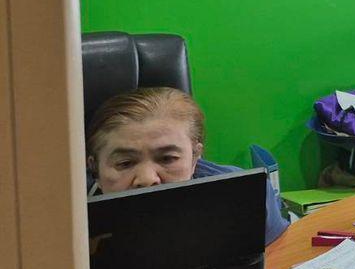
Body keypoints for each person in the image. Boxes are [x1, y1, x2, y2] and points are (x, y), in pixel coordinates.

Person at [86, 86, 290, 244]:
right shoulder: (71, 225)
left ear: (194, 157)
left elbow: (277, 257)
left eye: (167, 159)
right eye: (125, 163)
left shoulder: (244, 195)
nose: (148, 179)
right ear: (95, 169)